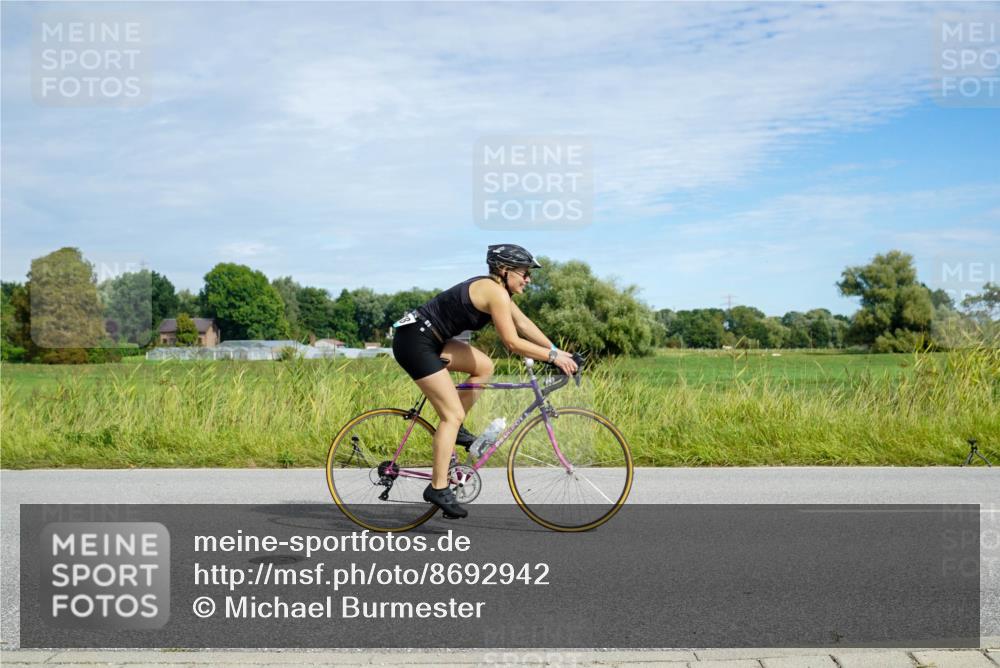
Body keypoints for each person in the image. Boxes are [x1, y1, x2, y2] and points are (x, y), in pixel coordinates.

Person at [391, 244, 579, 519]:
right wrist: (552, 357)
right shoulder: (494, 292)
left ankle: (455, 430)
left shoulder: (498, 292)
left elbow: (524, 325)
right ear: (504, 270)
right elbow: (513, 342)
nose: (528, 280)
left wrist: (561, 353)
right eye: (525, 274)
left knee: (484, 367)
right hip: (414, 341)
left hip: (430, 338)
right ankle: (438, 487)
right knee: (451, 415)